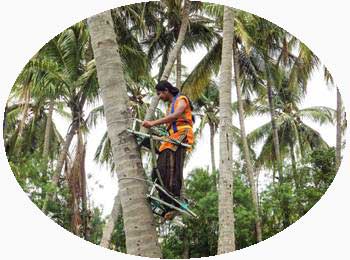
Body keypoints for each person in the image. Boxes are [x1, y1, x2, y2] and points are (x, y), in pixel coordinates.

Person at [142, 80, 194, 220]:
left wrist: (152, 123)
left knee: (170, 169)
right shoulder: (170, 105)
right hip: (171, 139)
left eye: (159, 94)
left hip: (180, 137)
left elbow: (176, 115)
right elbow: (169, 123)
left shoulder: (181, 100)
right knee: (157, 173)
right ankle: (167, 205)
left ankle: (175, 199)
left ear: (166, 90)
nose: (159, 97)